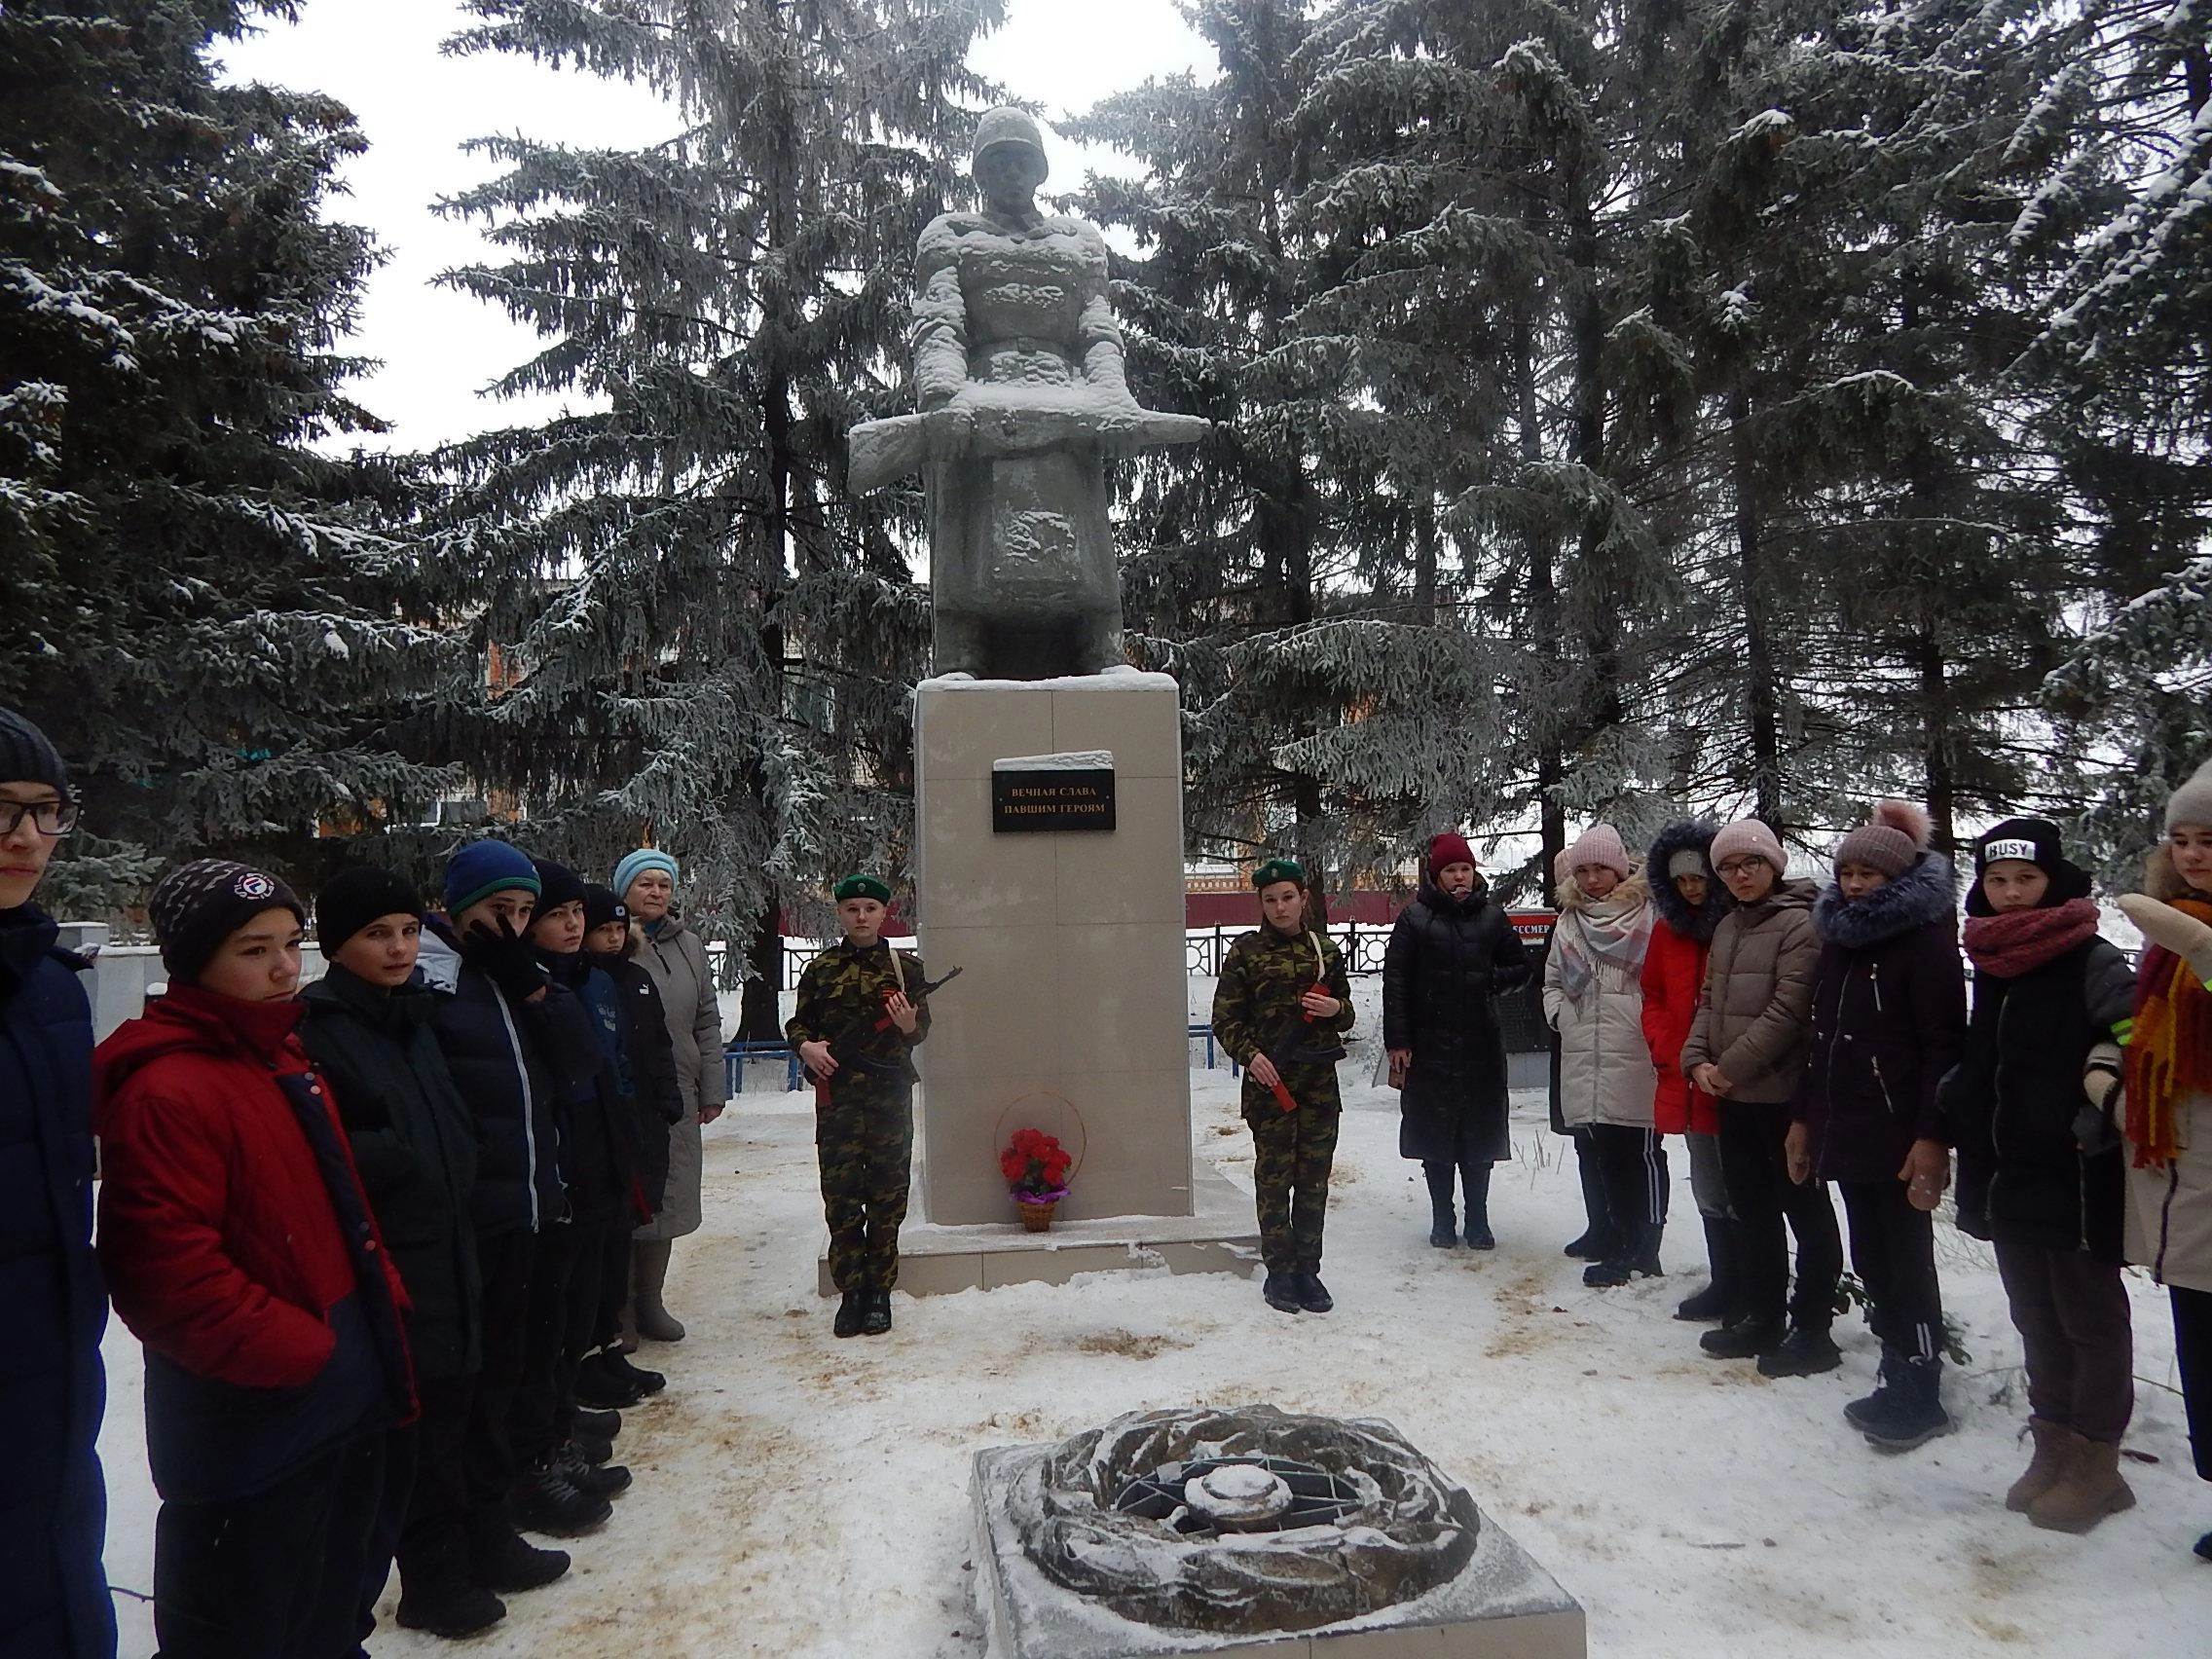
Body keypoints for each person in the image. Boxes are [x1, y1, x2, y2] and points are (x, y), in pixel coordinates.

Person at [95, 861, 413, 1659]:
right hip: (252, 1431)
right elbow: (167, 1278)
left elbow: (333, 1216)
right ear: (195, 962)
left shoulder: (280, 1058)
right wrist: (305, 1353)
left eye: (289, 944)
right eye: (252, 950)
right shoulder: (169, 1087)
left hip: (338, 1402)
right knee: (248, 1626)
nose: (282, 968)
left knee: (331, 1606)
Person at [298, 866, 498, 1638]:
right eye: (377, 934)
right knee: (407, 1427)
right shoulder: (321, 1030)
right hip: (393, 1256)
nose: (399, 947)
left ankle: (451, 1559)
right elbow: (344, 1150)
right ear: (337, 944)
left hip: (447, 1240)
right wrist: (404, 1165)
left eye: (409, 931)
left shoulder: (411, 1017)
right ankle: (427, 1578)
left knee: (451, 1410)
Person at [1948, 819, 2138, 1530]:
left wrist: (2100, 1100)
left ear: (2052, 881)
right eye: (1997, 881)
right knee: (2034, 1316)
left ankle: (2098, 1462)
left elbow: (2135, 1036)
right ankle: (2053, 1443)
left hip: (2079, 1172)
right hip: (2010, 1171)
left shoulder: (2091, 957)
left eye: (2025, 879)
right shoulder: (1995, 964)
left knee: (2089, 1318)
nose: (2011, 894)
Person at [416, 841, 580, 1590]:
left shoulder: (517, 976)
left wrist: (530, 985)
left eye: (522, 913)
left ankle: (506, 1501)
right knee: (470, 1387)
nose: (512, 926)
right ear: (460, 908)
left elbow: (579, 1064)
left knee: (516, 1363)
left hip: (531, 1201)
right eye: (498, 912)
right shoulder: (431, 979)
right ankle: (461, 1538)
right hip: (469, 1215)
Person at [1790, 802, 1966, 1451]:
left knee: (1905, 1258)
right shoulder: (1840, 941)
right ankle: (1896, 1363)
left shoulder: (1924, 943)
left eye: (1872, 873)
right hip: (1847, 1126)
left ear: (1899, 878)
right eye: (1849, 871)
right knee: (1873, 1257)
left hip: (1897, 1132)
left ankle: (1922, 1383)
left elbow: (1942, 1046)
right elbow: (1822, 1040)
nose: (1858, 883)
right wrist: (1805, 1121)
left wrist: (1931, 1136)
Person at [0, 709, 114, 1659]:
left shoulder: (49, 985)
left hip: (54, 1367)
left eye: (45, 811)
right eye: (0, 812)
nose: (28, 839)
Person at [1682, 818, 1842, 1374]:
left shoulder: (1802, 924)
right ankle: (1764, 1314)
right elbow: (1709, 1001)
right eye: (1728, 867)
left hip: (1782, 1096)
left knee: (1805, 1209)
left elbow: (1789, 1010)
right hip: (1734, 1098)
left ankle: (1814, 1327)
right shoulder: (1728, 927)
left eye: (1750, 863)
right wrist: (1696, 1059)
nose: (1740, 875)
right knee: (1751, 1210)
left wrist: (1727, 1067)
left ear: (1773, 864)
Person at [509, 860, 640, 1527]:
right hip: (548, 1162)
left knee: (583, 1288)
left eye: (575, 915)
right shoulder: (519, 986)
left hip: (594, 1137)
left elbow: (601, 1059)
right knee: (548, 1314)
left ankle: (561, 1422)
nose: (569, 926)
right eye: (555, 914)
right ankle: (543, 1444)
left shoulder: (579, 982)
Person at [2116, 757, 2212, 1562]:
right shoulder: (2166, 935)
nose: (2193, 855)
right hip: (2182, 1182)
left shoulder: (2190, 937)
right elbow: (2140, 1036)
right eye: (2182, 840)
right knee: (2203, 1356)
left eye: (2210, 840)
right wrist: (2111, 1075)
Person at [1210, 860, 1355, 1314]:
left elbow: (1347, 1013)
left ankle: (1308, 1272)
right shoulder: (1245, 953)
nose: (1280, 907)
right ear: (1261, 903)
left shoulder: (1325, 952)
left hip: (1317, 1087)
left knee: (1313, 1181)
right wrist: (1251, 1057)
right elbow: (1226, 1020)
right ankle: (1279, 1271)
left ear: (1303, 899)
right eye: (1270, 899)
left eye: (1288, 897)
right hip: (1270, 1086)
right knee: (1274, 1180)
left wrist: (1334, 1008)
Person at [789, 874, 930, 1337]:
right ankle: (851, 1292)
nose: (862, 916)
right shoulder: (821, 969)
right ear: (841, 914)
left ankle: (880, 1292)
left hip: (889, 1099)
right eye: (853, 909)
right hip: (840, 1101)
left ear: (884, 912)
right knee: (842, 1195)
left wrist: (909, 1026)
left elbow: (922, 1029)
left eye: (870, 907)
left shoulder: (904, 968)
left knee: (888, 1195)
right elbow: (799, 1023)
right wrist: (807, 1048)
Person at [1383, 831, 1530, 1250]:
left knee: (1479, 1134)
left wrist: (1490, 980)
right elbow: (1395, 982)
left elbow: (1520, 967)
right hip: (1429, 1046)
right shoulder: (1414, 920)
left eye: (1465, 869)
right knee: (1435, 1134)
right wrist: (1399, 1040)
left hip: (1480, 1044)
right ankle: (1442, 1217)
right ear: (1437, 876)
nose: (1460, 877)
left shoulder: (1492, 918)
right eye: (1451, 870)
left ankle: (1478, 1218)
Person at [1542, 825, 1665, 1287]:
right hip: (1583, 1048)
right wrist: (1560, 1015)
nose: (1593, 880)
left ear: (1619, 869)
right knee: (1599, 1148)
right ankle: (1611, 1234)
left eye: (1602, 869)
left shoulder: (1648, 916)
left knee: (1641, 1150)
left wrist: (1646, 1024)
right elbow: (1552, 979)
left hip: (1635, 1047)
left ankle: (1645, 1247)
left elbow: (1662, 984)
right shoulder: (1569, 921)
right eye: (1585, 870)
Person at [613, 848, 726, 1346]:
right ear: (625, 890)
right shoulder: (611, 941)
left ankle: (650, 1301)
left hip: (678, 1091)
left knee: (670, 1197)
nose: (655, 892)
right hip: (626, 1093)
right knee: (628, 1198)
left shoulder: (690, 946)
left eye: (663, 884)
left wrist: (712, 1086)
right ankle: (617, 1311)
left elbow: (706, 1018)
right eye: (645, 884)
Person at [585, 884, 685, 1360]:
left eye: (617, 930)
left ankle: (649, 1302)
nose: (611, 938)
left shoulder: (638, 979)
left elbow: (659, 1042)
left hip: (648, 1114)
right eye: (601, 929)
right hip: (609, 1116)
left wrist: (670, 1095)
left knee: (652, 1205)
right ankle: (617, 1313)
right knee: (618, 1216)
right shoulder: (584, 980)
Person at [1641, 820, 1735, 1321]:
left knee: (1743, 1185)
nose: (1692, 888)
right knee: (1708, 1184)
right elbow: (1653, 993)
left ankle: (1753, 1284)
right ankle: (1724, 1281)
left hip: (1735, 1078)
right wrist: (1663, 1041)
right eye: (1681, 881)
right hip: (1687, 1077)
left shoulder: (1735, 923)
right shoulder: (1668, 931)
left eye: (1699, 877)